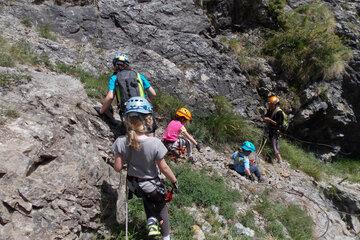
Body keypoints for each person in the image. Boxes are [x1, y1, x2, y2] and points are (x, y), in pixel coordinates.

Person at [112, 97, 177, 240]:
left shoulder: (121, 142)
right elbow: (164, 167)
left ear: (127, 120)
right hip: (151, 184)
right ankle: (166, 237)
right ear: (148, 120)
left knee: (147, 197)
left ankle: (151, 221)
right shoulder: (155, 143)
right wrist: (174, 180)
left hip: (134, 185)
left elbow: (117, 168)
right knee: (161, 208)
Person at [96, 52, 156, 117]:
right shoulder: (138, 75)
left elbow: (110, 97)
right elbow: (153, 94)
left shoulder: (114, 78)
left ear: (114, 65)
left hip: (127, 110)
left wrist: (101, 111)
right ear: (127, 65)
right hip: (143, 108)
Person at [263, 95, 285, 163]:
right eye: (269, 103)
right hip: (271, 129)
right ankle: (276, 158)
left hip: (275, 131)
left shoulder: (279, 112)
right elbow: (267, 115)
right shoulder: (270, 109)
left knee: (274, 145)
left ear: (275, 104)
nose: (269, 105)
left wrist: (269, 120)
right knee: (276, 144)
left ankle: (279, 159)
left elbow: (279, 123)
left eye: (271, 104)